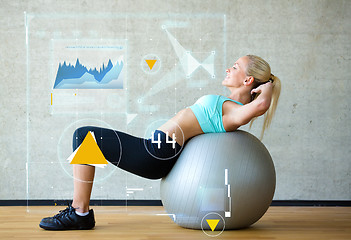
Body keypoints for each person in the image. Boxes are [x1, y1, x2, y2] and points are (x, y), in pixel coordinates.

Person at [39, 55, 281, 230]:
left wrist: (268, 87)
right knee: (85, 137)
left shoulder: (234, 111)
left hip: (156, 153)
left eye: (235, 67)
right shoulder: (231, 107)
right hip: (156, 148)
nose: (229, 68)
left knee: (84, 136)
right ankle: (79, 212)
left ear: (248, 80)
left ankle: (79, 212)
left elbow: (260, 106)